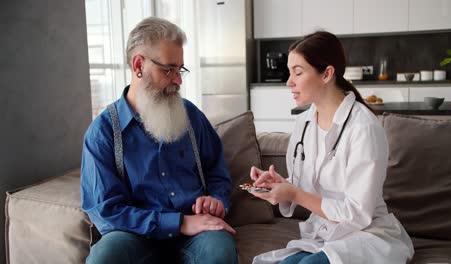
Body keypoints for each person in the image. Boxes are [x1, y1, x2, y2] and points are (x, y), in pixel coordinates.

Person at [81, 17, 237, 264]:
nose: (178, 80)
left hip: (197, 233)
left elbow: (217, 173)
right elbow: (106, 211)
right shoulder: (103, 133)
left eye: (180, 69)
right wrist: (179, 223)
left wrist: (216, 200)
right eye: (169, 69)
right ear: (138, 64)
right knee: (103, 258)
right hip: (135, 235)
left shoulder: (192, 117)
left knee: (219, 251)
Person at [248, 31, 414, 264]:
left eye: (298, 72)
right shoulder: (303, 123)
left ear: (326, 74)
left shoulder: (363, 127)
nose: (289, 82)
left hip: (367, 234)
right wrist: (278, 186)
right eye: (289, 72)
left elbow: (357, 214)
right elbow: (305, 185)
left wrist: (294, 193)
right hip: (325, 233)